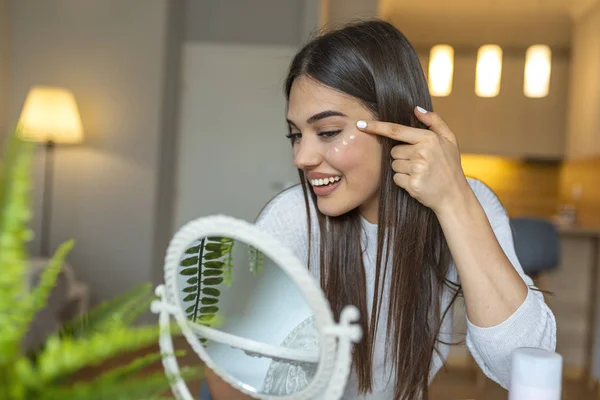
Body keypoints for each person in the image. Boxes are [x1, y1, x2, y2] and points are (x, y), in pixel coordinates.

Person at [204, 19, 556, 400]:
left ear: (395, 124)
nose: (302, 157)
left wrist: (454, 200)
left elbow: (522, 361)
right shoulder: (292, 220)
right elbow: (230, 372)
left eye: (327, 132)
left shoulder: (470, 203)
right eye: (295, 134)